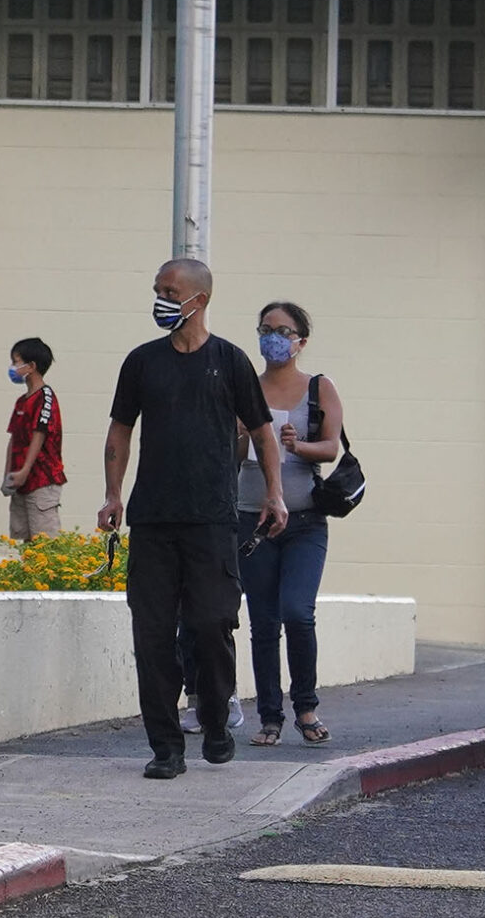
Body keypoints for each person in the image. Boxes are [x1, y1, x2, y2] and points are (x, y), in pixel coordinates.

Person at [99, 258, 286, 781]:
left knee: (211, 625)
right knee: (152, 636)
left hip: (212, 522)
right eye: (156, 288)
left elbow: (263, 432)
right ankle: (165, 747)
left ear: (197, 300)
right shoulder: (141, 362)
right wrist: (113, 494)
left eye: (168, 290)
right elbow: (120, 431)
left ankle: (214, 719)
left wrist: (274, 494)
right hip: (153, 521)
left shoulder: (230, 361)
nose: (158, 297)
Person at [242, 300, 343, 747]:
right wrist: (241, 437)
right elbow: (225, 452)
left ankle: (306, 706)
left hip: (304, 520)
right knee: (263, 622)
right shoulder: (244, 387)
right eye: (266, 329)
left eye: (283, 331)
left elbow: (331, 448)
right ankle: (269, 716)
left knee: (297, 613)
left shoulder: (319, 388)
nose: (273, 338)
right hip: (251, 518)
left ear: (301, 340)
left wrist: (296, 445)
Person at [3, 338, 67, 541]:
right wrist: (9, 474)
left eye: (16, 362)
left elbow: (39, 434)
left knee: (45, 541)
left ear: (31, 366)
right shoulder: (22, 401)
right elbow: (14, 438)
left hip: (42, 480)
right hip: (21, 484)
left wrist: (25, 470)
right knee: (25, 539)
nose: (13, 368)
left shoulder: (45, 396)